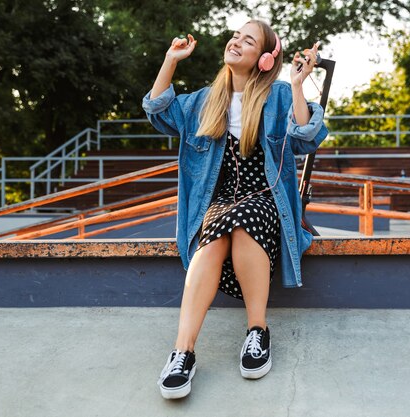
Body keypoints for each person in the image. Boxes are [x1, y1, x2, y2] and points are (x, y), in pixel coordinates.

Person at [142, 19, 328, 399]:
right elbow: (157, 111)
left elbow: (306, 138)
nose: (236, 42)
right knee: (210, 242)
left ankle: (257, 332)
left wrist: (295, 84)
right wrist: (170, 60)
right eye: (235, 36)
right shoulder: (203, 101)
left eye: (249, 40)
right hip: (218, 202)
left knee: (243, 221)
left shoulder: (276, 96)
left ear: (263, 59)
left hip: (265, 198)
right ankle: (182, 352)